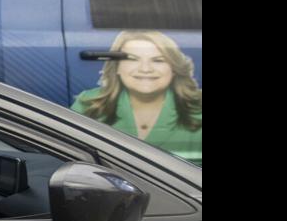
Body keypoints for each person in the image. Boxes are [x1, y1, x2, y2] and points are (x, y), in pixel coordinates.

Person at [71, 30, 202, 165]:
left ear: (174, 68)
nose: (145, 69)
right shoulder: (88, 104)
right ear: (117, 67)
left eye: (158, 60)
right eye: (132, 59)